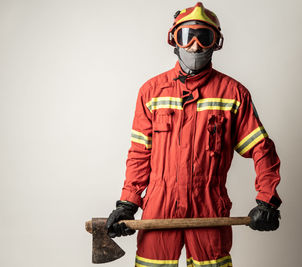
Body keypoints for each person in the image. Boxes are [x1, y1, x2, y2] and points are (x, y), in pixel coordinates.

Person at [106, 2, 281, 266]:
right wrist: (128, 204)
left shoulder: (233, 94)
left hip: (209, 204)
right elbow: (140, 153)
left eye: (205, 37)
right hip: (159, 207)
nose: (196, 45)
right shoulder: (152, 92)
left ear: (216, 43)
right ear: (174, 40)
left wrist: (267, 201)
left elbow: (262, 149)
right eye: (187, 36)